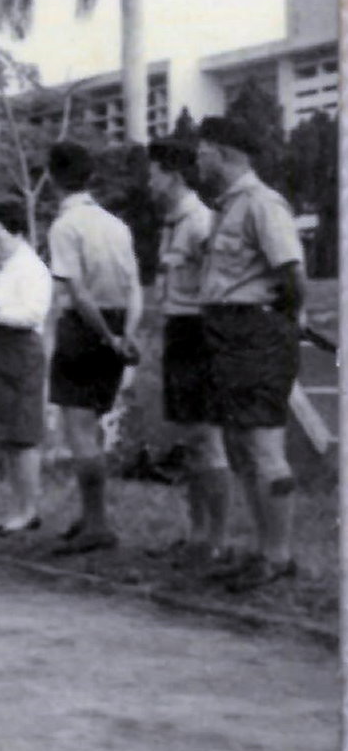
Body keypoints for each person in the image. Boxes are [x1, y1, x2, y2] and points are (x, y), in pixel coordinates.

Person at [193, 115, 307, 593]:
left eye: (202, 152)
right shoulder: (227, 207)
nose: (197, 160)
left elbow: (293, 276)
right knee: (239, 445)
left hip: (256, 333)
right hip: (229, 333)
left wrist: (274, 322)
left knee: (263, 448)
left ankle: (279, 556)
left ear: (223, 154)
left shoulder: (262, 204)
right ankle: (262, 551)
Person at [42, 141, 143, 556]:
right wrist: (127, 334)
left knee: (80, 429)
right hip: (119, 321)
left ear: (51, 179)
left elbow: (78, 291)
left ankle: (97, 522)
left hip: (87, 328)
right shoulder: (116, 224)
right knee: (93, 426)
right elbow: (136, 286)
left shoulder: (64, 226)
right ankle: (90, 516)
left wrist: (104, 335)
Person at [146, 136, 229, 566]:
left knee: (206, 439)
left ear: (173, 176)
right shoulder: (171, 224)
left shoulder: (200, 223)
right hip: (179, 332)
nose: (149, 183)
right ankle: (197, 535)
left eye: (153, 174)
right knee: (191, 441)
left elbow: (218, 286)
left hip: (201, 334)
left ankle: (215, 540)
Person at [0, 199, 53, 533]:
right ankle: (18, 506)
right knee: (7, 430)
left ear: (16, 231)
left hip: (19, 347)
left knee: (23, 431)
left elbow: (32, 314)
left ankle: (28, 509)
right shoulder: (0, 269)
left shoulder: (30, 268)